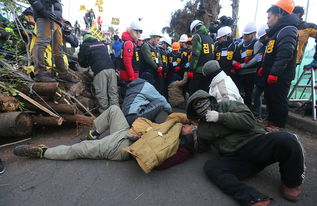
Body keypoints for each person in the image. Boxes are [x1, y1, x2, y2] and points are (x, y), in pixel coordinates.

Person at [186, 90, 305, 206]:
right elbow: (200, 147)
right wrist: (191, 133)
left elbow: (248, 121)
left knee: (287, 140)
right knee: (211, 166)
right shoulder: (202, 128)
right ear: (194, 111)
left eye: (202, 101)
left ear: (209, 99)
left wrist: (220, 117)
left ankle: (291, 183)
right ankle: (254, 198)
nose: (201, 105)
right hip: (235, 157)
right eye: (196, 105)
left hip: (255, 143)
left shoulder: (228, 104)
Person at [13, 105, 196, 172]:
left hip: (124, 146)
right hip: (128, 131)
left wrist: (141, 146)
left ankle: (43, 152)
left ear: (192, 137)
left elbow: (160, 164)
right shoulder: (175, 125)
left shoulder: (181, 147)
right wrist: (190, 118)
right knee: (114, 109)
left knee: (79, 149)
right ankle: (94, 133)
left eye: (191, 128)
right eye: (190, 124)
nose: (188, 126)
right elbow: (175, 116)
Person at [262, 0, 299, 129]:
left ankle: (278, 124)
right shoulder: (278, 31)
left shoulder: (288, 30)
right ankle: (270, 120)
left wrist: (274, 73)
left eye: (269, 17)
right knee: (270, 97)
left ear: (279, 14)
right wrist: (264, 68)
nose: (267, 21)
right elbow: (271, 52)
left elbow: (285, 53)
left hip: (281, 75)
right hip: (272, 73)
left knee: (278, 99)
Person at [27, 0, 77, 82]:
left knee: (58, 47)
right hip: (45, 16)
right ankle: (40, 72)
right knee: (41, 43)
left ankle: (62, 73)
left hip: (56, 19)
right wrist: (43, 11)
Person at [78, 33, 119, 113]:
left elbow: (82, 62)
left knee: (102, 96)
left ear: (84, 39)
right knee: (113, 94)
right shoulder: (101, 43)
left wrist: (88, 63)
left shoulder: (84, 46)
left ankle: (105, 116)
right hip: (111, 69)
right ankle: (116, 115)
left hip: (100, 71)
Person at [232, 22, 258, 110]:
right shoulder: (240, 45)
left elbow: (258, 58)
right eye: (244, 34)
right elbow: (234, 57)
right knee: (238, 92)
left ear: (254, 34)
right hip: (240, 74)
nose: (245, 36)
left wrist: (243, 65)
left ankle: (248, 110)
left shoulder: (256, 43)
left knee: (248, 93)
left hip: (251, 73)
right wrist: (235, 63)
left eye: (248, 34)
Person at [188, 20, 214, 95]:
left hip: (199, 71)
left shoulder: (197, 37)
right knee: (205, 93)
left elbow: (195, 55)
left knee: (195, 94)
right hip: (209, 70)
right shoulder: (210, 38)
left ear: (195, 28)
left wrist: (191, 70)